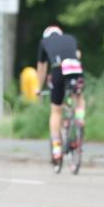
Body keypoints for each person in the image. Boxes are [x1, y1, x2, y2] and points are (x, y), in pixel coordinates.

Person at [36, 25, 85, 167]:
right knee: (79, 97)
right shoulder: (70, 38)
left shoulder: (44, 42)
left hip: (58, 69)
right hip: (75, 68)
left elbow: (42, 67)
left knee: (56, 110)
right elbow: (78, 54)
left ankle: (56, 149)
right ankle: (80, 120)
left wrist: (39, 88)